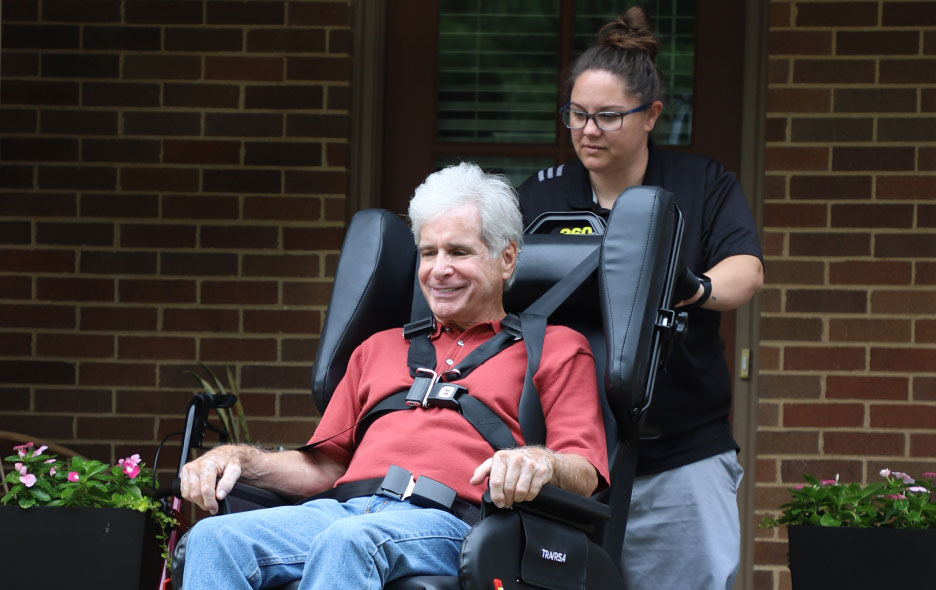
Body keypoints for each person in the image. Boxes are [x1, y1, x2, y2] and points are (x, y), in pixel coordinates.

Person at [179, 161, 609, 590]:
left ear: (507, 258)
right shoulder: (378, 348)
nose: (440, 269)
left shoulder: (554, 347)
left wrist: (539, 461)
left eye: (459, 252)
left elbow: (586, 472)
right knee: (214, 539)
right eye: (428, 252)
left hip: (458, 524)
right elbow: (323, 467)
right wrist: (236, 457)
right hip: (343, 513)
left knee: (350, 542)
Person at [517, 8, 764, 590]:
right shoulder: (542, 194)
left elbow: (746, 271)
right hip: (567, 453)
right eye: (576, 115)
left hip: (679, 453)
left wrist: (693, 287)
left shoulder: (702, 181)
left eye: (606, 116)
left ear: (652, 115)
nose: (587, 131)